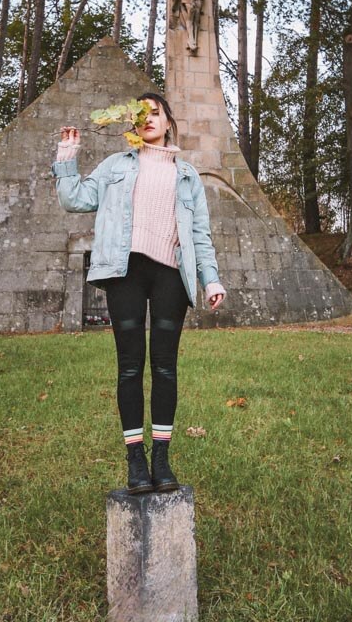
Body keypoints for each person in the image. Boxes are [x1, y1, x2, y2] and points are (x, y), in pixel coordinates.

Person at [51, 92, 225, 494]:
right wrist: (67, 157)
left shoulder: (187, 175)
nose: (148, 119)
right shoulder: (115, 166)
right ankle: (135, 460)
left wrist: (210, 278)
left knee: (164, 366)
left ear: (168, 123)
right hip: (123, 271)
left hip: (171, 275)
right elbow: (76, 199)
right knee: (130, 365)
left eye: (156, 113)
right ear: (133, 123)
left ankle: (161, 458)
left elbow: (200, 233)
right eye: (141, 114)